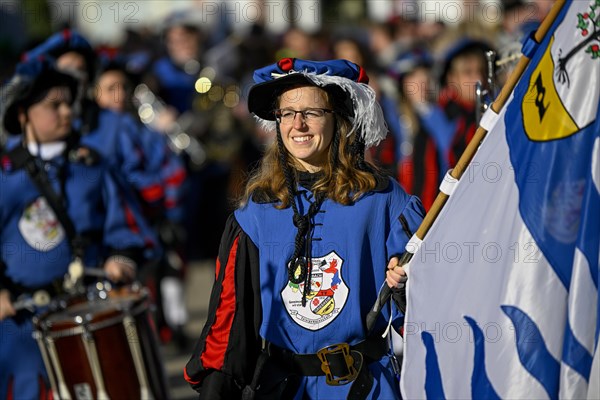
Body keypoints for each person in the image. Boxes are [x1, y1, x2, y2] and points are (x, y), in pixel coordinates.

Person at [184, 58, 425, 399]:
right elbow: (230, 320)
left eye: (312, 112)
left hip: (364, 387)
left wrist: (406, 286)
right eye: (286, 113)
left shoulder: (383, 200)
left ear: (339, 120)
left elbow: (429, 308)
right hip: (283, 389)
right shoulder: (256, 209)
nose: (298, 124)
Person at [0, 58, 156, 399]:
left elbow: (128, 228)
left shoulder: (93, 165)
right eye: (54, 105)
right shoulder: (4, 174)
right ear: (23, 112)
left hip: (90, 313)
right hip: (21, 328)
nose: (67, 111)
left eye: (69, 103)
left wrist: (122, 259)